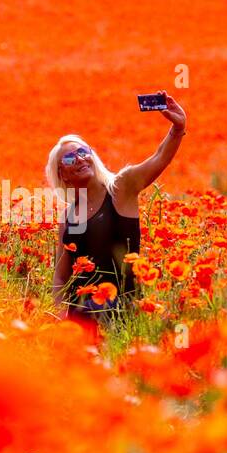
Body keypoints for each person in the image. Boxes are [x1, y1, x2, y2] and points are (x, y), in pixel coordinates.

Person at [46, 92, 187, 323]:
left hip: (122, 315)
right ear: (62, 174)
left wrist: (177, 129)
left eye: (83, 152)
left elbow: (159, 158)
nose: (80, 159)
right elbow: (61, 277)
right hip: (80, 321)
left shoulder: (121, 188)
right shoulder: (68, 217)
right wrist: (61, 317)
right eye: (70, 159)